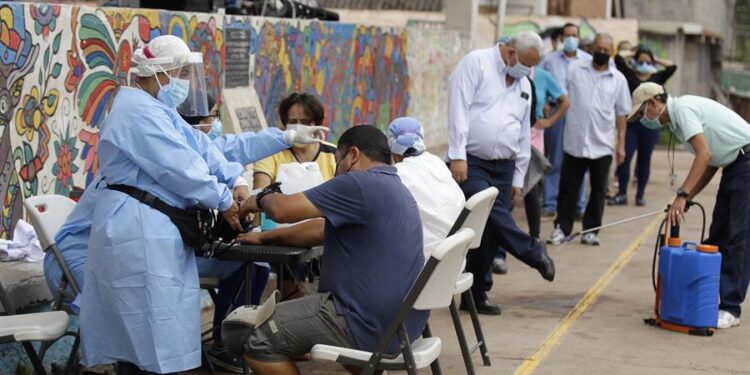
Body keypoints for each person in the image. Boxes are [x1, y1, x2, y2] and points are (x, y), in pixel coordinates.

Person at [44, 92, 324, 373]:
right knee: (136, 324)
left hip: (147, 253)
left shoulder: (180, 152)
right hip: (89, 260)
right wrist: (225, 198)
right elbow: (197, 173)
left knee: (249, 264)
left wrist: (280, 142)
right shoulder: (136, 173)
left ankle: (226, 344)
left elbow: (227, 149)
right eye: (212, 117)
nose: (214, 125)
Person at [233, 125, 428, 375]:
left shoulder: (357, 183)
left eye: (338, 162)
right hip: (401, 323)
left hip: (361, 321)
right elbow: (318, 230)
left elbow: (283, 210)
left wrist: (259, 198)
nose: (337, 171)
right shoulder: (395, 188)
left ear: (353, 155)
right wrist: (264, 238)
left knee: (247, 332)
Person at [448, 31, 556, 316]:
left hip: (506, 166)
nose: (527, 71)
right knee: (491, 210)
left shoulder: (525, 85)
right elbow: (458, 109)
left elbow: (523, 133)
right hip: (472, 161)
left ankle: (477, 294)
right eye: (525, 64)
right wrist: (457, 155)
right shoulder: (476, 64)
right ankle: (532, 251)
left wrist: (519, 178)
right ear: (510, 53)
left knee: (491, 230)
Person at [629, 82, 750, 329]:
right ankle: (707, 300)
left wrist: (682, 195)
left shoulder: (682, 109)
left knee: (738, 237)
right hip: (734, 165)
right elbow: (711, 161)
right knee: (718, 234)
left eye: (642, 113)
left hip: (746, 163)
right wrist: (688, 196)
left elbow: (704, 154)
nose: (643, 119)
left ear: (653, 104)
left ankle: (730, 308)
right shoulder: (677, 119)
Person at [546, 33, 631, 246]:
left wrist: (621, 144)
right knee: (568, 189)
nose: (602, 52)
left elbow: (621, 114)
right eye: (599, 48)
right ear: (592, 48)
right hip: (575, 141)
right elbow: (561, 95)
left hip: (602, 144)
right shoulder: (575, 70)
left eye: (606, 49)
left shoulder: (618, 79)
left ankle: (591, 230)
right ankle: (561, 228)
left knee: (599, 190)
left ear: (611, 52)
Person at [388, 117, 465, 259]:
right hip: (456, 257)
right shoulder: (437, 162)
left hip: (425, 262)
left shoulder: (397, 175)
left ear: (392, 150)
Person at [609, 46, 677, 206]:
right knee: (624, 158)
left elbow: (672, 66)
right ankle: (622, 193)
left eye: (648, 61)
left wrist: (654, 58)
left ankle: (640, 195)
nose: (644, 64)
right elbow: (618, 58)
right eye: (641, 61)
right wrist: (633, 53)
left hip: (651, 125)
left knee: (644, 160)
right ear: (635, 61)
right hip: (632, 123)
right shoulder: (629, 75)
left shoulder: (657, 76)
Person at [539, 23, 592, 220]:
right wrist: (543, 102)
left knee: (580, 158)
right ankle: (550, 203)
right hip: (556, 112)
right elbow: (537, 81)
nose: (571, 39)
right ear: (562, 38)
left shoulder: (588, 60)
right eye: (567, 35)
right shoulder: (549, 60)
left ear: (579, 37)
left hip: (579, 115)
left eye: (574, 35)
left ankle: (578, 206)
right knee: (555, 160)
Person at [253, 93, 337, 190]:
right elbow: (260, 190)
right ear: (285, 124)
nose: (298, 126)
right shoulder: (271, 152)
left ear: (316, 124)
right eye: (293, 122)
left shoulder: (334, 154)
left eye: (305, 122)